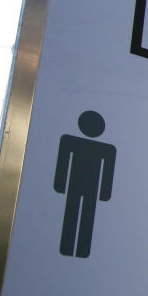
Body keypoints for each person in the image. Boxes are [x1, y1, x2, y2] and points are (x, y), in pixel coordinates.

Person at [54, 110, 116, 258]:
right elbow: (63, 163)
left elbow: (107, 171)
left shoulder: (106, 149)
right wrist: (60, 185)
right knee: (73, 214)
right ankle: (68, 247)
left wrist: (104, 194)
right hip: (78, 187)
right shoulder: (70, 141)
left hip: (87, 189)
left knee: (84, 217)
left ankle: (80, 249)